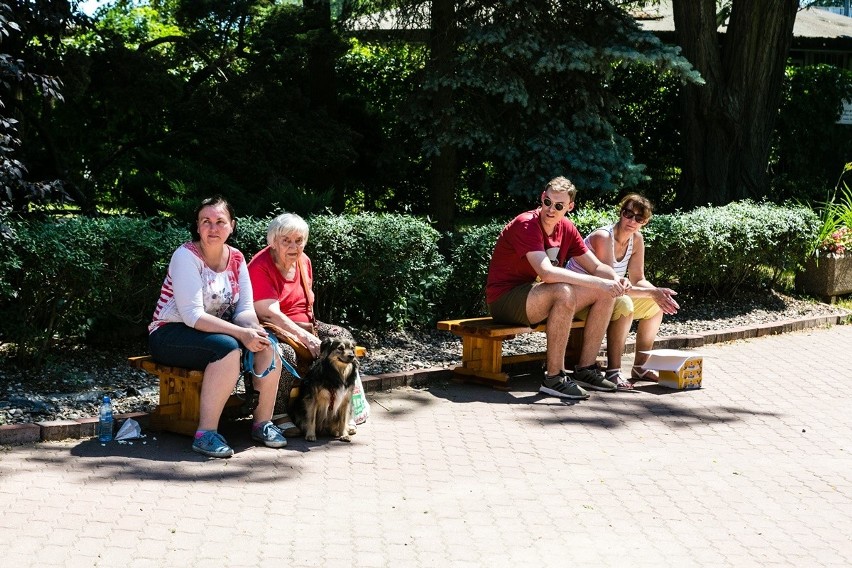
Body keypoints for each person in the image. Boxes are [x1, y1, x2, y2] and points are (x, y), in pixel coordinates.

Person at [148, 196, 287, 458]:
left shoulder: (236, 258)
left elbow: (245, 308)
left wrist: (253, 331)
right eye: (206, 222)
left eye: (220, 222)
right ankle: (206, 434)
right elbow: (192, 316)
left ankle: (262, 424)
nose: (213, 228)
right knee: (228, 348)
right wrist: (239, 333)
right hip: (169, 333)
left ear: (232, 226)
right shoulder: (185, 256)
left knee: (267, 344)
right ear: (198, 227)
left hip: (211, 331)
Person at [486, 176, 631, 400]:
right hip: (505, 299)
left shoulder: (566, 228)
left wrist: (617, 279)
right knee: (563, 291)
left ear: (569, 207)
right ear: (542, 199)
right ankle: (554, 378)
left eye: (559, 206)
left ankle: (585, 369)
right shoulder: (527, 223)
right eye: (547, 202)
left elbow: (596, 266)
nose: (551, 209)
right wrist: (599, 281)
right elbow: (546, 273)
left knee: (605, 291)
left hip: (535, 295)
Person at [567, 194, 679, 389]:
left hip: (607, 295)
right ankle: (614, 371)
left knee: (655, 304)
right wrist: (653, 292)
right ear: (621, 213)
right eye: (628, 213)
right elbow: (611, 283)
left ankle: (641, 367)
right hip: (581, 297)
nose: (632, 220)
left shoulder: (636, 239)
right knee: (624, 303)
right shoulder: (603, 237)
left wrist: (658, 293)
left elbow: (638, 279)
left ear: (645, 222)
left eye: (639, 218)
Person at [248, 212, 356, 415]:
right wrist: (306, 338)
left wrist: (311, 334)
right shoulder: (260, 266)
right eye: (286, 240)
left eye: (298, 241)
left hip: (305, 325)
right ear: (273, 242)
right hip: (272, 329)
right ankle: (277, 413)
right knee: (285, 353)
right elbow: (269, 314)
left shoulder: (303, 261)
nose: (293, 247)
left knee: (344, 340)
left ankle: (336, 408)